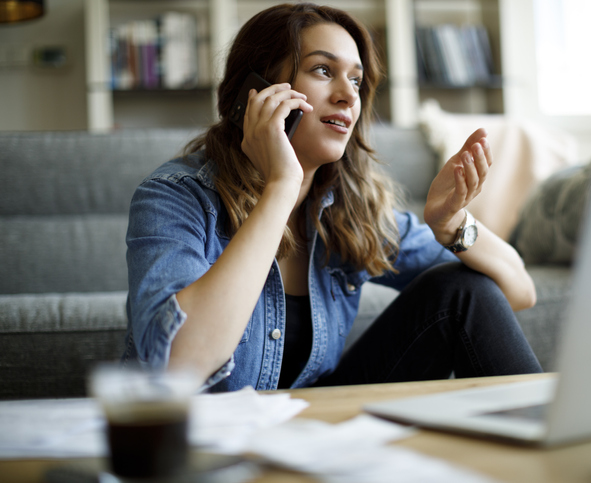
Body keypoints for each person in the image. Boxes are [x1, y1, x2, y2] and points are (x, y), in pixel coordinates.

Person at [123, 2, 542, 392]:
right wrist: (280, 187)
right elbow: (179, 366)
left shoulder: (349, 208)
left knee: (459, 288)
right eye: (323, 70)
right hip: (208, 444)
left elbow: (515, 293)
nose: (348, 94)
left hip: (316, 427)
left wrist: (451, 226)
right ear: (258, 91)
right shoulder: (175, 196)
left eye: (356, 80)